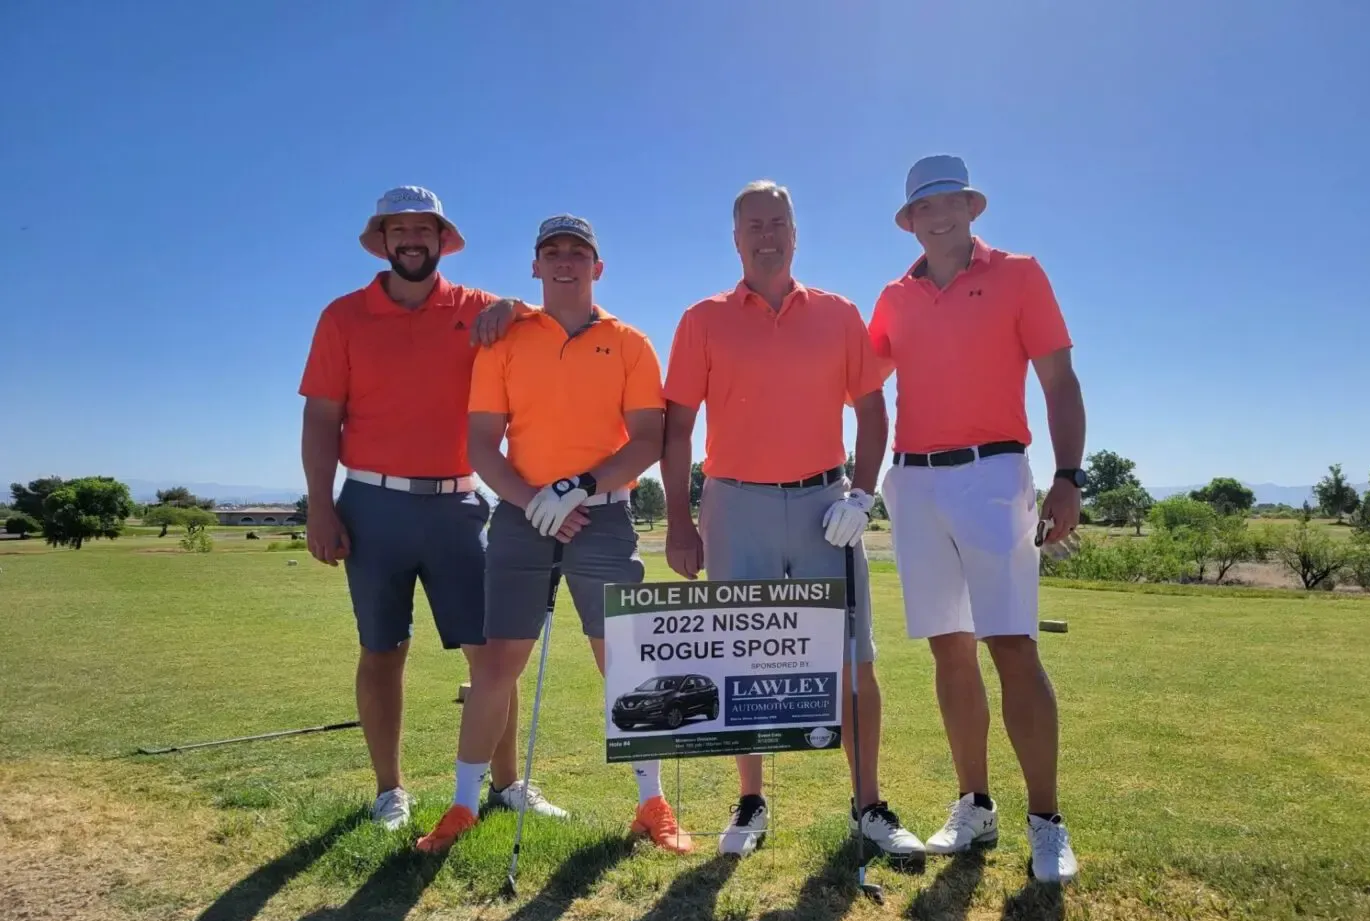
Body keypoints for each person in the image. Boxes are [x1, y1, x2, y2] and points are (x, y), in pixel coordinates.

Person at [660, 181, 926, 864]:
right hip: (733, 502)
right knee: (738, 656)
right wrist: (681, 522)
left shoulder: (838, 314)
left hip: (823, 507)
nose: (767, 234)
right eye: (754, 224)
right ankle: (750, 801)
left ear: (796, 233)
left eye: (778, 222)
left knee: (852, 658)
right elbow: (679, 428)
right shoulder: (702, 318)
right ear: (735, 236)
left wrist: (861, 497)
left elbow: (872, 413)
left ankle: (868, 803)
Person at [415, 214, 686, 855]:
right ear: (536, 266)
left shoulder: (630, 344)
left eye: (579, 251)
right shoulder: (505, 339)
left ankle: (652, 805)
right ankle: (462, 806)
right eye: (552, 251)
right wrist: (536, 500)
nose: (565, 260)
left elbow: (648, 438)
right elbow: (482, 444)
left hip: (604, 516)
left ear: (599, 266)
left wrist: (578, 488)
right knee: (496, 665)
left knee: (623, 661)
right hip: (518, 516)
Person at [298, 185, 560, 831]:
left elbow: (546, 322)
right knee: (382, 650)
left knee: (491, 655)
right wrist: (320, 507)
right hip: (370, 505)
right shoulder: (343, 316)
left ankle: (507, 785)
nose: (412, 239)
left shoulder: (477, 310)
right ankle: (390, 791)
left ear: (443, 240)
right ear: (383, 241)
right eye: (399, 229)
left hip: (457, 505)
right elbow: (321, 415)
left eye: (425, 228)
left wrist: (512, 303)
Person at [871, 155, 1085, 884]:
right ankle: (975, 805)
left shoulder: (1020, 274)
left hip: (995, 474)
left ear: (970, 206)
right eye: (924, 207)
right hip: (916, 481)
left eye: (950, 202)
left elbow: (1059, 380)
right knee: (949, 650)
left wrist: (1068, 476)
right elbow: (857, 380)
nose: (939, 215)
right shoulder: (894, 297)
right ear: (910, 220)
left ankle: (1047, 822)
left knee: (1013, 646)